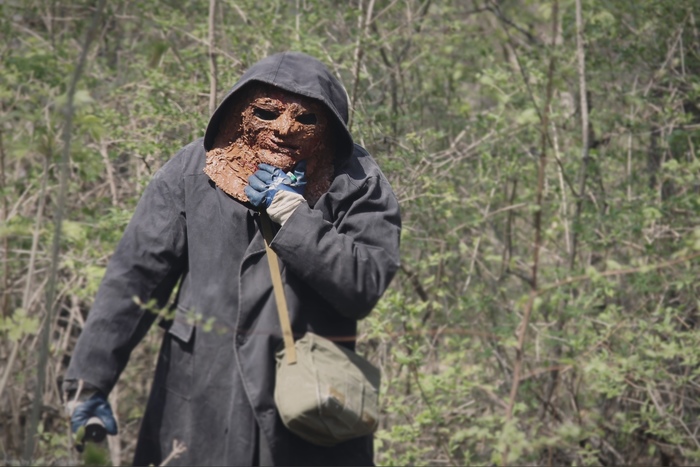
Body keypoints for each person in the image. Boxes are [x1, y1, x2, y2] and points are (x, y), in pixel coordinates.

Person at [63, 51, 401, 466]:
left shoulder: (356, 181)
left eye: (305, 118)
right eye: (266, 112)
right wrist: (89, 381)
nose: (283, 128)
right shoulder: (193, 171)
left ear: (328, 123)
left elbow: (364, 284)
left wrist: (295, 218)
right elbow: (134, 278)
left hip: (307, 409)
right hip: (202, 396)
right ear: (241, 110)